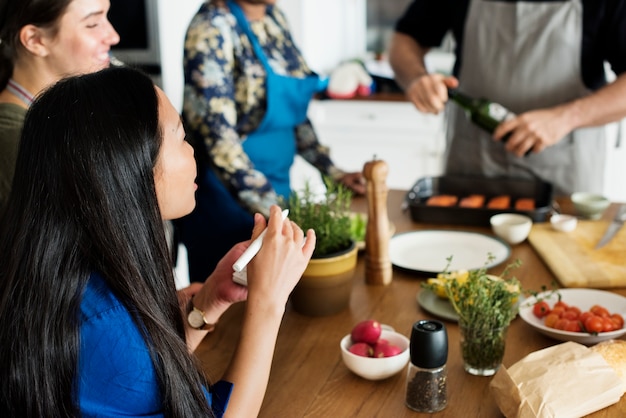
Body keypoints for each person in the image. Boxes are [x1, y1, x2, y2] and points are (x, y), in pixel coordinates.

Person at [0, 66, 316, 417]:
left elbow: (148, 379)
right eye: (181, 138)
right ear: (129, 168)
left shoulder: (77, 276)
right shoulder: (103, 327)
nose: (193, 151)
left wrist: (209, 301)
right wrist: (268, 303)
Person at [176, 0, 366, 282]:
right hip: (227, 204)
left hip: (278, 193)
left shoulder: (274, 19)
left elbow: (293, 110)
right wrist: (276, 212)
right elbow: (219, 141)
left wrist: (332, 171)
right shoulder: (211, 27)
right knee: (229, 307)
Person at [388, 0, 626, 196]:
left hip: (563, 168)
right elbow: (405, 39)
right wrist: (416, 78)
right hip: (472, 160)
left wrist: (565, 118)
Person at [0, 0, 120, 211]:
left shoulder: (66, 115)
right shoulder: (15, 142)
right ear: (35, 40)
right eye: (92, 24)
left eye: (106, 17)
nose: (113, 36)